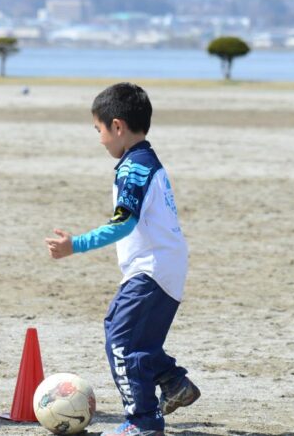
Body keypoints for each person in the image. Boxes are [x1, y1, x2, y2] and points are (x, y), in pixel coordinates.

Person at [45, 82, 200, 436]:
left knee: (121, 342)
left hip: (152, 270)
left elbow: (123, 223)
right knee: (128, 336)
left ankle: (143, 423)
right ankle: (174, 383)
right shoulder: (143, 159)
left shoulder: (134, 168)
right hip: (163, 267)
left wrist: (76, 245)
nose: (99, 139)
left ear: (117, 126)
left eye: (98, 130)